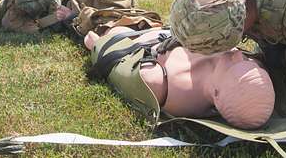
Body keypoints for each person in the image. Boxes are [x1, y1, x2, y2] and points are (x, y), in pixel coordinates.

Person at [80, 19, 275, 130]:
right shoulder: (236, 72)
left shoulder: (161, 84)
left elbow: (113, 62)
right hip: (161, 27)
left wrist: (97, 42)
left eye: (234, 67)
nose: (240, 54)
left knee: (107, 22)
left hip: (132, 37)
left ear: (217, 94)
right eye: (249, 62)